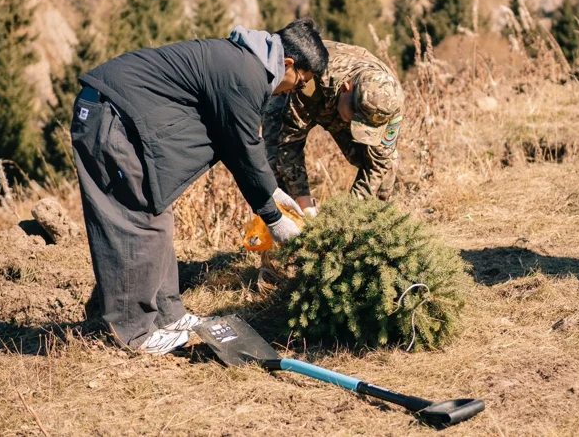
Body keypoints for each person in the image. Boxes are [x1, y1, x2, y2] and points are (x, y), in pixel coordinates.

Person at [71, 18, 328, 355]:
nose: (295, 91)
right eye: (299, 83)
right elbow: (244, 146)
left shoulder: (244, 64)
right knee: (133, 224)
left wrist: (273, 194)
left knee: (156, 217)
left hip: (121, 119)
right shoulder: (246, 73)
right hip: (110, 119)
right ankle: (134, 334)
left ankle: (167, 315)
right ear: (289, 64)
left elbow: (237, 144)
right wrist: (274, 219)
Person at [263, 40, 404, 216]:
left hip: (340, 99)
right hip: (294, 89)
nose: (353, 127)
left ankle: (378, 223)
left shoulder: (390, 100)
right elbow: (289, 144)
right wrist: (305, 206)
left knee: (386, 164)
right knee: (277, 163)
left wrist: (348, 214)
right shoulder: (310, 82)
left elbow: (379, 163)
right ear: (346, 89)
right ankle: (291, 230)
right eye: (354, 119)